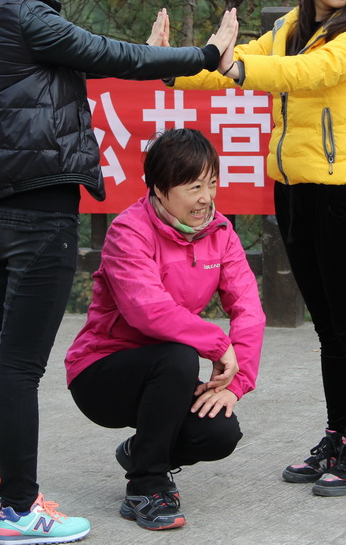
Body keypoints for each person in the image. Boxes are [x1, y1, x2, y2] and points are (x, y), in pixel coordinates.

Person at [0, 0, 238, 545]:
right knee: (18, 367)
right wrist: (205, 55)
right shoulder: (27, 16)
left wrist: (155, 54)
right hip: (39, 212)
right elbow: (107, 53)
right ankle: (20, 510)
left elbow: (85, 59)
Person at [167, 0, 346, 497]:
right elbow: (232, 65)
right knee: (327, 326)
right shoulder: (291, 27)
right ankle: (336, 437)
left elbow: (309, 74)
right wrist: (168, 64)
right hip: (295, 189)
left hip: (344, 191)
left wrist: (236, 66)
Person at [64, 127, 265, 531]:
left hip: (167, 374)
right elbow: (147, 311)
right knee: (179, 356)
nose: (206, 198)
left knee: (220, 432)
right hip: (102, 372)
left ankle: (141, 451)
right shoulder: (129, 231)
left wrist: (236, 383)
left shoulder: (221, 233)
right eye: (194, 187)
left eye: (211, 183)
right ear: (159, 188)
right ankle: (146, 486)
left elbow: (248, 309)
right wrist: (215, 343)